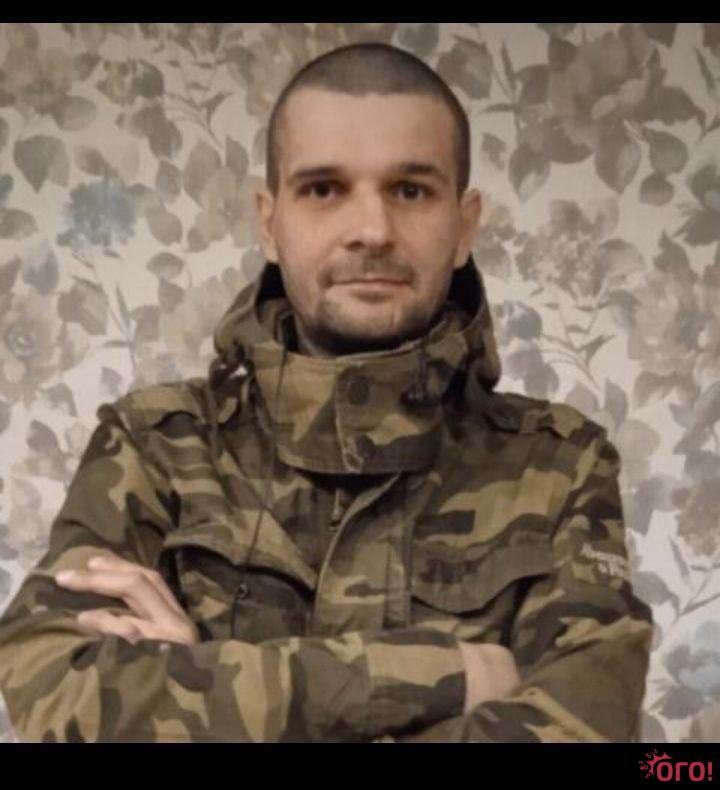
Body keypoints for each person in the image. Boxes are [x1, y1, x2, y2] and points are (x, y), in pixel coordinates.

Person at [0, 42, 652, 743]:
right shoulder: (154, 446)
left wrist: (203, 689)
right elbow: (55, 688)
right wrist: (444, 675)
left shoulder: (560, 465)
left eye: (411, 190)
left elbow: (585, 724)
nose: (371, 231)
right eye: (323, 189)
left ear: (464, 226)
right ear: (269, 221)